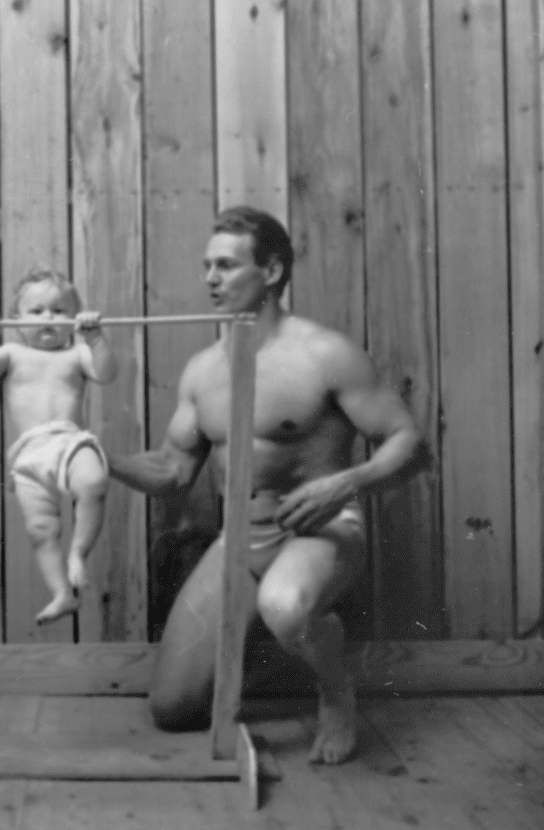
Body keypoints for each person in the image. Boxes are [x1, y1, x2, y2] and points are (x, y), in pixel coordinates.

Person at [109, 206, 424, 764]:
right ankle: (265, 652)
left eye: (227, 266)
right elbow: (173, 470)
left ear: (272, 272)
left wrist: (345, 485)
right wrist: (95, 457)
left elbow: (407, 440)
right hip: (240, 538)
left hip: (318, 529)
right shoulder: (203, 370)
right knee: (172, 708)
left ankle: (335, 694)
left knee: (284, 605)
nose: (210, 278)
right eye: (207, 265)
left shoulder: (324, 353)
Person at [0, 267, 118, 624]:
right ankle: (62, 593)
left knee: (92, 482)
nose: (48, 317)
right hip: (30, 452)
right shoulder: (11, 353)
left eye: (59, 310)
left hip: (68, 440)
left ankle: (78, 552)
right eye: (37, 311)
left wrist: (95, 339)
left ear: (74, 319)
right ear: (15, 320)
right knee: (40, 530)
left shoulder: (77, 354)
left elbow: (106, 373)